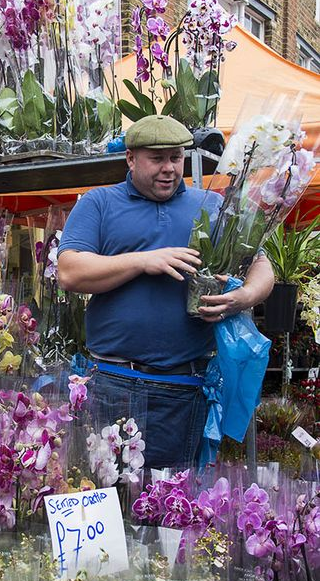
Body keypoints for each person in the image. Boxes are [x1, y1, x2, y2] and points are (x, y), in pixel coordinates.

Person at [57, 114, 274, 468]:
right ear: (130, 158)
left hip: (184, 388)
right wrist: (144, 261)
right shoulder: (99, 203)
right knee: (111, 504)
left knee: (171, 508)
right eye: (157, 159)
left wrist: (243, 297)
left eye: (176, 158)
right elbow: (69, 272)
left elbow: (262, 266)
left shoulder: (211, 206)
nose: (169, 168)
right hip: (115, 383)